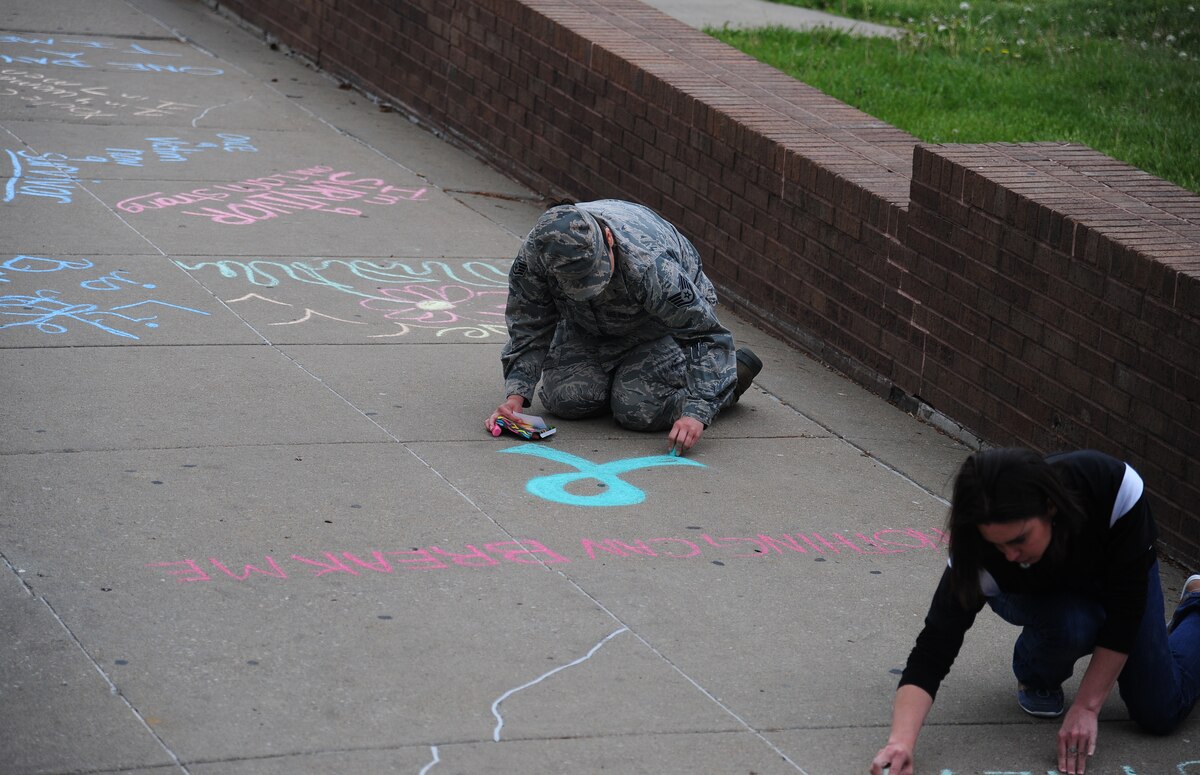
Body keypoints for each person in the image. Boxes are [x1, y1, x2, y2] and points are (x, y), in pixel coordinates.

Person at [871, 448, 1200, 775]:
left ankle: (1196, 603)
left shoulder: (1112, 487)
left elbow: (1126, 610)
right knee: (1075, 624)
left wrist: (1087, 706)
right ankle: (1038, 674)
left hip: (1114, 577)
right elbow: (934, 646)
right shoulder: (980, 551)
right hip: (1041, 594)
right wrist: (901, 742)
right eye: (998, 546)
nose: (1010, 556)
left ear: (1050, 506)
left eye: (1019, 540)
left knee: (1160, 710)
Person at [487, 199, 762, 455]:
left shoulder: (651, 266)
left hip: (659, 328)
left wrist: (697, 411)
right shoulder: (539, 252)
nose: (592, 290)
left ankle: (728, 381)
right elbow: (528, 322)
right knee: (567, 399)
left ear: (608, 240)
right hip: (588, 325)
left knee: (636, 408)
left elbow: (703, 334)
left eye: (594, 277)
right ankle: (625, 381)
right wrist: (516, 397)